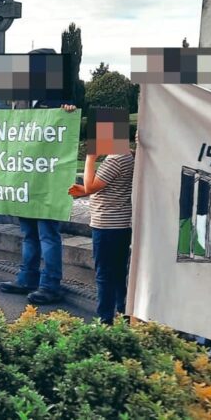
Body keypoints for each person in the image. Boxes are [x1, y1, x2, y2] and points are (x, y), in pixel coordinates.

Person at [0, 96, 70, 305]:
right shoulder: (19, 103)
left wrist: (68, 110)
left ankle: (50, 285)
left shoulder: (56, 102)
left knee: (47, 234)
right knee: (29, 233)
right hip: (26, 182)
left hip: (46, 184)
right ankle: (27, 279)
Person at [69, 122, 137, 324]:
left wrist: (90, 158)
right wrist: (84, 190)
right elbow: (105, 187)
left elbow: (91, 185)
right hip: (120, 222)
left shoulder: (115, 159)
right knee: (117, 272)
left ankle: (104, 320)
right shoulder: (127, 156)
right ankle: (122, 313)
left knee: (104, 274)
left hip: (107, 223)